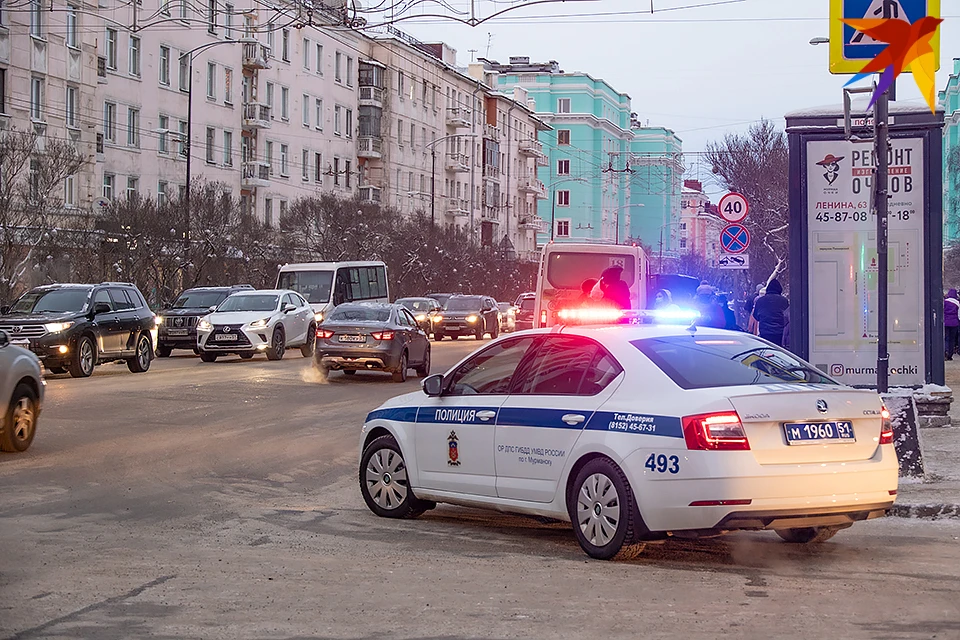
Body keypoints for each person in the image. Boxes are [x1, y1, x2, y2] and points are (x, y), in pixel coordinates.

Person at [752, 278, 789, 346]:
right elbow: (787, 316)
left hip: (765, 332)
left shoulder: (760, 301)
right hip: (780, 332)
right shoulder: (784, 301)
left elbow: (755, 316)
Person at [945, 289, 960, 360]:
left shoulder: (945, 302)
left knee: (946, 338)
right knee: (952, 339)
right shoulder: (957, 303)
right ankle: (950, 354)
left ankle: (945, 351)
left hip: (945, 322)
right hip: (954, 323)